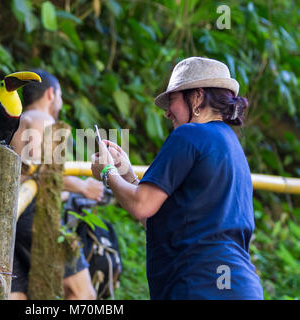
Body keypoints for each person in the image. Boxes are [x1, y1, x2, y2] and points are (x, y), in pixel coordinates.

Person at [91, 57, 264, 299]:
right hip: (241, 287)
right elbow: (161, 221)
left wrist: (108, 173)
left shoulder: (189, 135)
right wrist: (128, 176)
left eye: (172, 99)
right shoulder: (230, 145)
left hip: (200, 285)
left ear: (197, 97)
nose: (167, 113)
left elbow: (142, 206)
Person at [10, 69, 100, 300]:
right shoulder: (43, 120)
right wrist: (83, 187)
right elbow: (46, 172)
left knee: (20, 296)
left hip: (10, 218)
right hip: (35, 215)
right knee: (82, 294)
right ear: (51, 94)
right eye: (60, 96)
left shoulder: (15, 121)